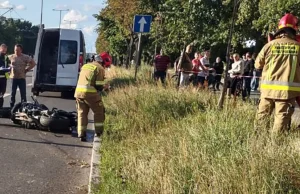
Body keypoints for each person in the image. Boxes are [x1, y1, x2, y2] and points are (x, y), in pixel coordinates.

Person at [255, 13, 300, 135]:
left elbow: (257, 65)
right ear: (294, 29)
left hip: (267, 90)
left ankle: (258, 143)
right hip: (287, 92)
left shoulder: (269, 46)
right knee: (281, 120)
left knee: (262, 118)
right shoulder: (298, 47)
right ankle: (275, 146)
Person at [74, 54, 109, 141]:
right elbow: (98, 85)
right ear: (101, 62)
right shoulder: (99, 68)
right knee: (99, 111)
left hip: (78, 92)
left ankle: (81, 134)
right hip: (89, 93)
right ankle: (99, 132)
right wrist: (106, 87)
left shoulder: (85, 66)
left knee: (82, 113)